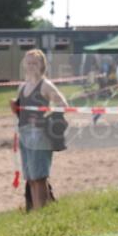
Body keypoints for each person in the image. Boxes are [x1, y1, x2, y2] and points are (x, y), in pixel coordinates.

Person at [12, 49, 69, 211]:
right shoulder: (22, 87)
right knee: (30, 177)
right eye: (28, 63)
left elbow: (63, 105)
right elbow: (20, 111)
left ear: (42, 65)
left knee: (39, 176)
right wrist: (14, 107)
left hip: (40, 135)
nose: (31, 66)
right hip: (24, 134)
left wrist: (46, 119)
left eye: (35, 63)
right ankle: (36, 210)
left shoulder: (45, 85)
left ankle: (41, 212)